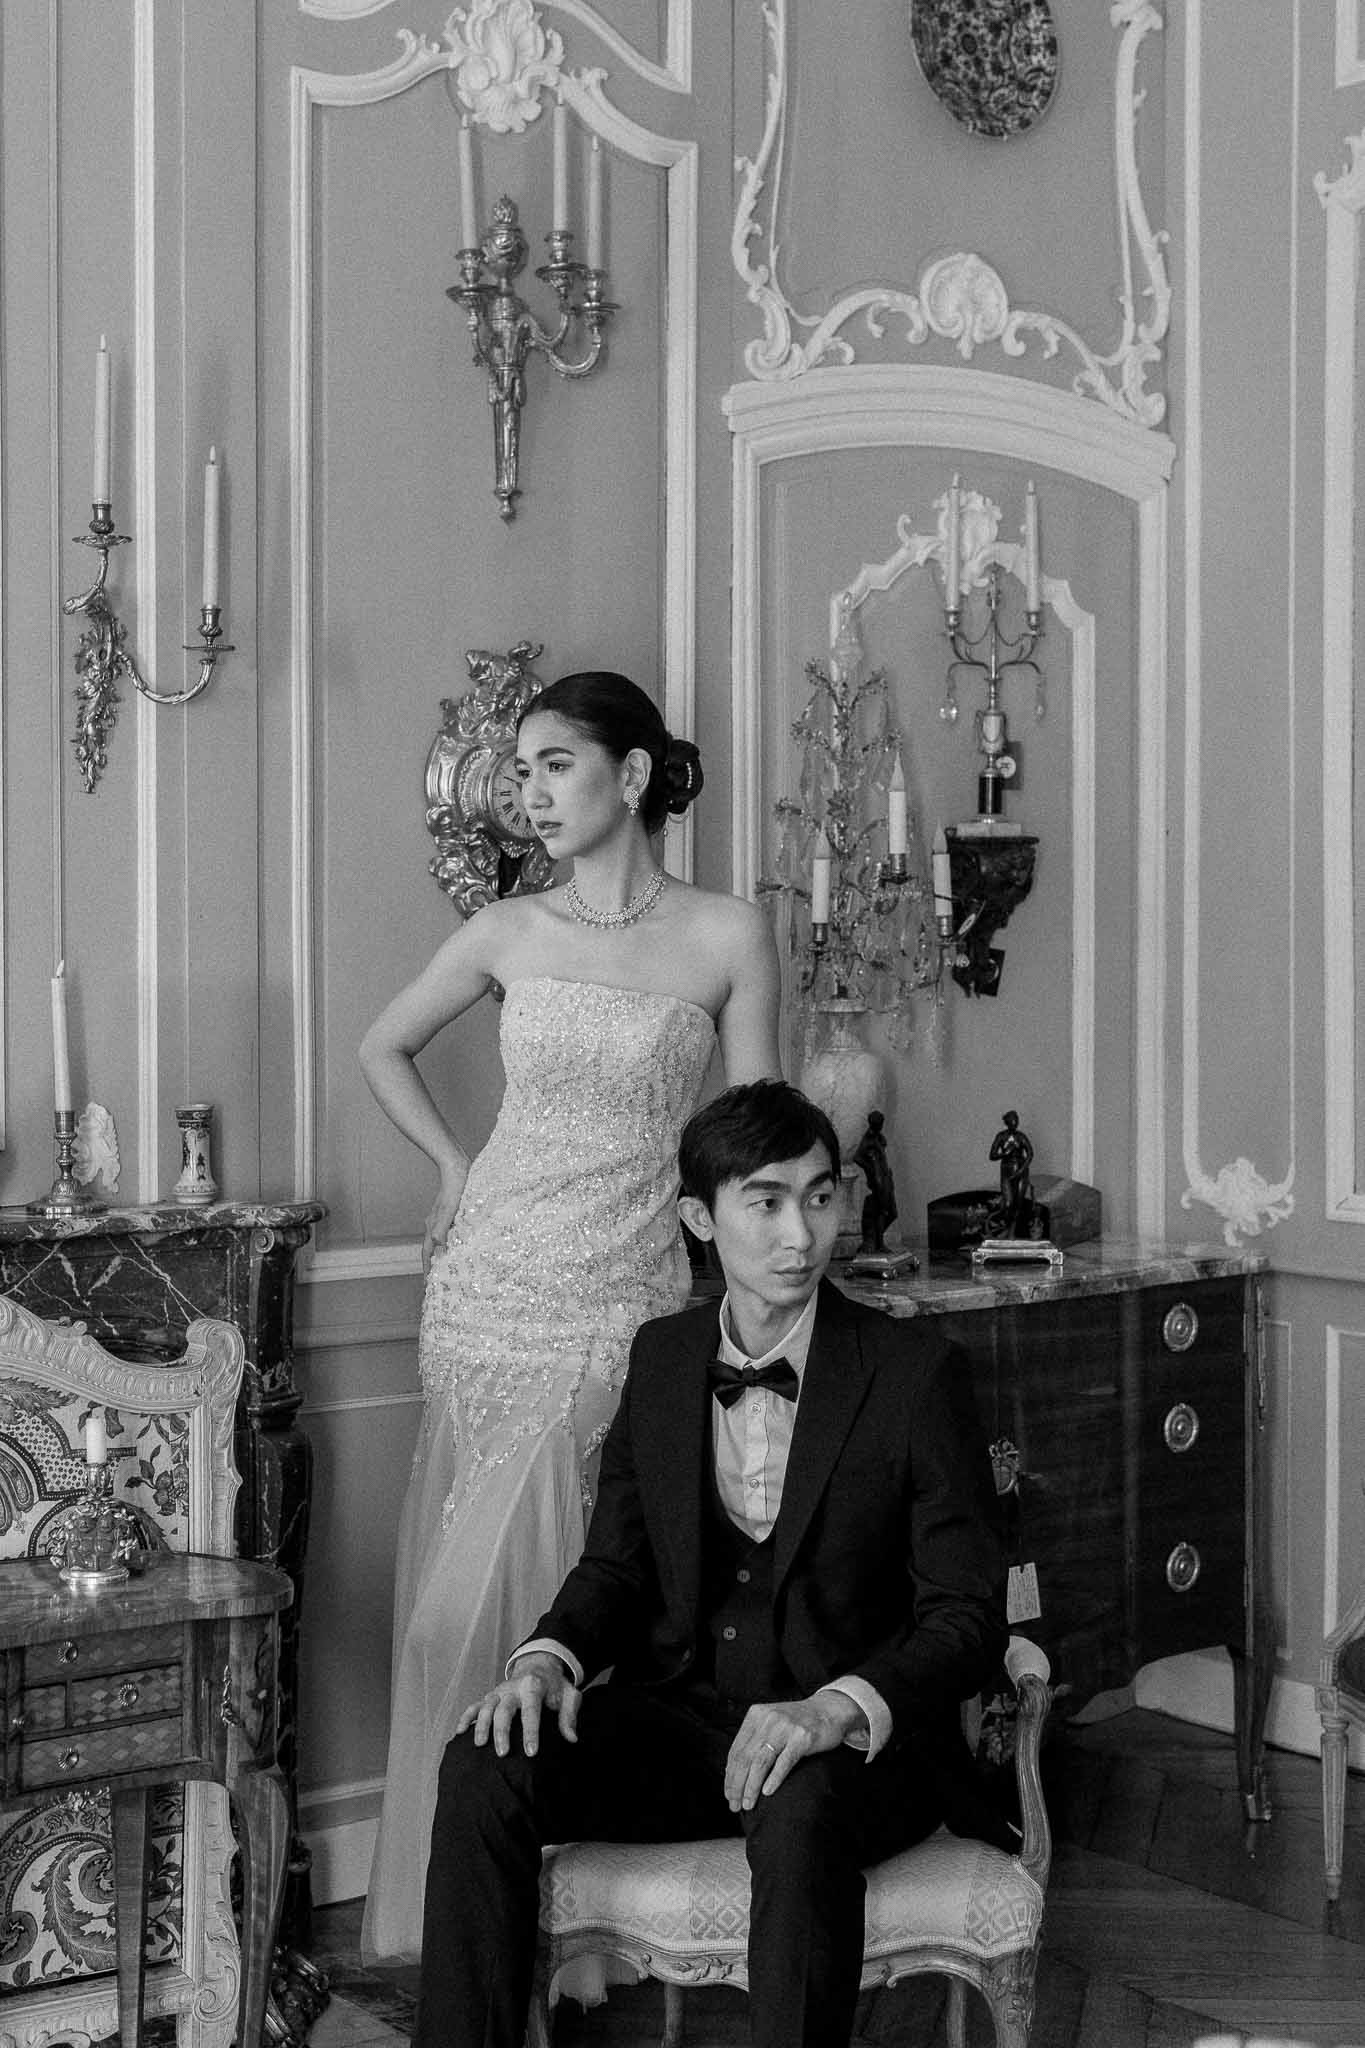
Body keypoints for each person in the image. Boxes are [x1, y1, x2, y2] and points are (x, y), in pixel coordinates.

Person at [414, 1079, 1012, 2048]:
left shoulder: (915, 1371)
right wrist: (544, 1660)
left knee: (798, 1790)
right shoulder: (659, 1359)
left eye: (820, 1196)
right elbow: (614, 1567)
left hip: (854, 1748)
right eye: (766, 1201)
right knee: (484, 1763)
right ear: (700, 1216)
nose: (801, 1233)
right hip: (687, 1721)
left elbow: (967, 1614)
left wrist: (831, 1709)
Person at [357, 671, 782, 1964]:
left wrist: (756, 1272)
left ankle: (570, 1927)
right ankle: (467, 1912)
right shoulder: (505, 931)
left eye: (554, 765)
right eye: (521, 771)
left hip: (634, 1291)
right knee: (457, 1605)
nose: (529, 794)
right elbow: (384, 1046)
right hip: (496, 1284)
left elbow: (756, 1131)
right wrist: (449, 1169)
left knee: (582, 1585)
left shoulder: (726, 934)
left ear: (634, 776)